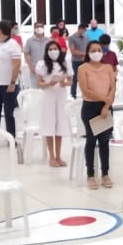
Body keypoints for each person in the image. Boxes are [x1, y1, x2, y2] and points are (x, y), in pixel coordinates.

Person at [77, 41, 115, 189]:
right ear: (88, 52)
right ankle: (90, 175)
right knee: (91, 140)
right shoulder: (83, 68)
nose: (96, 52)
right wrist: (104, 99)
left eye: (99, 50)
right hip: (90, 107)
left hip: (105, 107)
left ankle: (105, 173)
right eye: (93, 50)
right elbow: (86, 90)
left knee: (105, 141)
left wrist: (106, 105)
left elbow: (112, 88)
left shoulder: (108, 68)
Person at [35, 39, 73, 167]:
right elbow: (39, 83)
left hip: (61, 96)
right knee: (49, 125)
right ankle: (51, 156)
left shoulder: (65, 63)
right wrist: (48, 83)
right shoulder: (42, 64)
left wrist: (64, 83)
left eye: (55, 49)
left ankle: (58, 156)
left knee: (59, 125)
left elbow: (70, 81)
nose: (53, 51)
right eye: (50, 49)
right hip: (48, 96)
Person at [0, 20, 22, 138]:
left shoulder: (12, 45)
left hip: (8, 85)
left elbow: (16, 65)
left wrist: (12, 82)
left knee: (8, 114)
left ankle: (11, 138)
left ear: (0, 30)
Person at [68, 23, 89, 99]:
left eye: (86, 30)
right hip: (76, 61)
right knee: (75, 78)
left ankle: (86, 94)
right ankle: (73, 94)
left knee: (86, 78)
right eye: (84, 30)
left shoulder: (86, 37)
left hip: (85, 61)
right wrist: (83, 54)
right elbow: (73, 51)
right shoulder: (72, 38)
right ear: (80, 29)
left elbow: (88, 48)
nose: (85, 32)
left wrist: (86, 55)